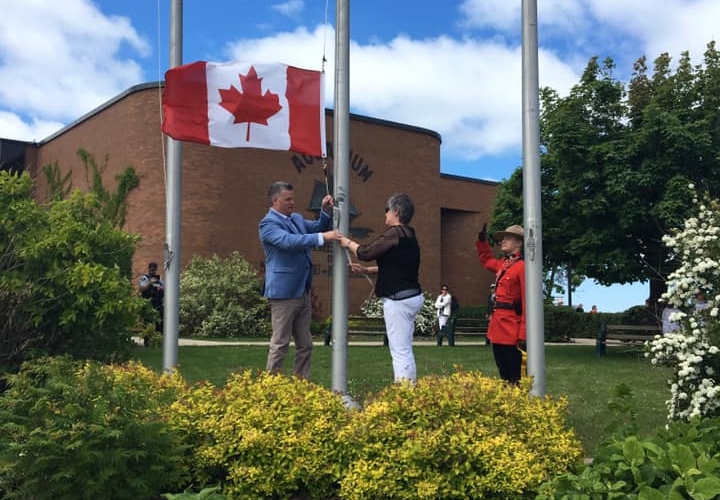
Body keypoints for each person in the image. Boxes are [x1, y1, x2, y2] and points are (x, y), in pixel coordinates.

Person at [259, 181, 341, 379]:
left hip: (302, 291)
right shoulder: (268, 224)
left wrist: (325, 211)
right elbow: (288, 242)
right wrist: (324, 237)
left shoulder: (295, 218)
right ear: (275, 200)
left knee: (305, 344)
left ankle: (301, 385)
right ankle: (270, 387)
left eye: (293, 198)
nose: (292, 203)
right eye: (288, 199)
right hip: (283, 293)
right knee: (280, 343)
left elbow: (317, 227)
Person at [340, 193, 423, 384]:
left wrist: (347, 242)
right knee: (405, 348)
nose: (385, 214)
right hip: (412, 296)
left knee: (399, 350)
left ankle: (404, 396)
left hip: (398, 300)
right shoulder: (410, 235)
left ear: (396, 211)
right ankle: (410, 388)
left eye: (387, 210)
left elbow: (366, 252)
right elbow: (395, 266)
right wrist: (366, 271)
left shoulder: (395, 233)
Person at [476, 223, 526, 384]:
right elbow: (486, 261)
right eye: (503, 238)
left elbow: (527, 302)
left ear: (518, 243)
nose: (503, 241)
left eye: (508, 238)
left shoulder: (523, 267)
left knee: (515, 374)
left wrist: (524, 333)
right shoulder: (504, 265)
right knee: (503, 373)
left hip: (512, 328)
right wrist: (482, 241)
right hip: (498, 327)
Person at [138, 261, 164, 343]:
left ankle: (158, 340)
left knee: (159, 322)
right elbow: (141, 289)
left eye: (155, 270)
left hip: (158, 303)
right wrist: (150, 283)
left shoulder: (159, 278)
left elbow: (164, 288)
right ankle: (147, 341)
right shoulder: (144, 278)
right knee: (147, 323)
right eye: (152, 269)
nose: (153, 271)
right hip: (148, 303)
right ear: (149, 269)